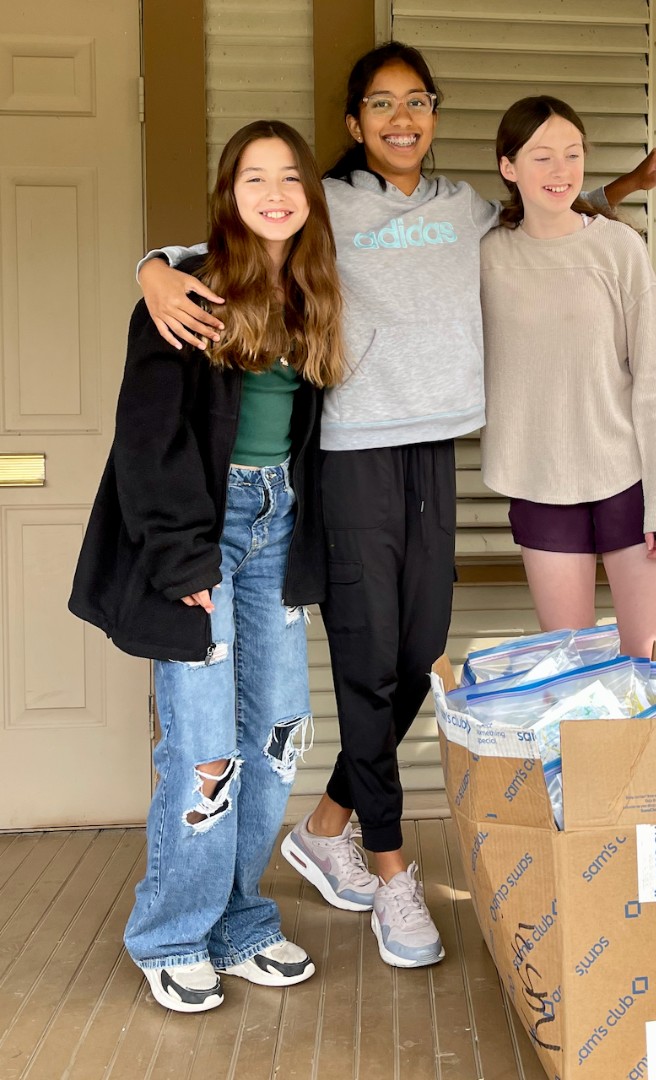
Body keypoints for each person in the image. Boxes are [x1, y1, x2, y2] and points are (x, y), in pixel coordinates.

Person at [133, 41, 656, 970]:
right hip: (349, 454)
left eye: (416, 101)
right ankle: (390, 872)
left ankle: (328, 825)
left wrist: (620, 184)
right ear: (354, 125)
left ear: (434, 114)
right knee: (365, 667)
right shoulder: (329, 207)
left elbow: (548, 217)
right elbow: (239, 243)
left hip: (438, 448)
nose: (400, 118)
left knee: (418, 654)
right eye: (380, 104)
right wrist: (154, 264)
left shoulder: (466, 208)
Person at [68, 120, 345, 1011]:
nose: (273, 193)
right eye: (253, 177)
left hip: (279, 531)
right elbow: (147, 438)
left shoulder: (312, 293)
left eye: (289, 178)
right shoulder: (185, 291)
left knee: (278, 734)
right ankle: (172, 932)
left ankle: (238, 922)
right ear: (229, 195)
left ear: (309, 195)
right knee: (203, 746)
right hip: (204, 533)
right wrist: (180, 552)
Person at [480, 97, 656, 656]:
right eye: (542, 157)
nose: (561, 171)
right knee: (574, 674)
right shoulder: (484, 255)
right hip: (538, 478)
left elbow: (651, 376)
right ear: (508, 167)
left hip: (628, 478)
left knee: (648, 668)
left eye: (572, 155)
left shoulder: (618, 246)